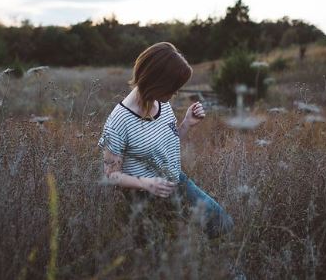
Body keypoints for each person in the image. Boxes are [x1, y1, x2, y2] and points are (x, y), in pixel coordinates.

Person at [98, 42, 234, 239]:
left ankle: (226, 268)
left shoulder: (161, 103)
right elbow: (111, 175)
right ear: (156, 81)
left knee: (221, 224)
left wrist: (187, 124)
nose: (175, 93)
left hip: (177, 182)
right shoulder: (119, 121)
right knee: (170, 251)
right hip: (145, 199)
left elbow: (165, 144)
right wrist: (147, 184)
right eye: (173, 87)